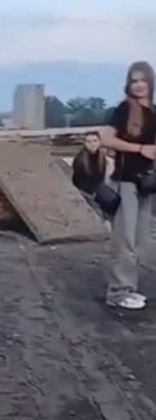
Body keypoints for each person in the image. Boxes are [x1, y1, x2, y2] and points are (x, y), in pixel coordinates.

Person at [100, 61, 156, 311]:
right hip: (125, 181)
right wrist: (139, 148)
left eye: (143, 80)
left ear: (151, 82)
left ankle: (129, 288)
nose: (139, 85)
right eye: (134, 81)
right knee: (125, 241)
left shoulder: (153, 111)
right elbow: (105, 139)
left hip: (147, 184)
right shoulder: (124, 110)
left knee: (142, 241)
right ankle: (118, 292)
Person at [72, 131, 108, 217]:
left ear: (99, 142)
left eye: (95, 141)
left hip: (97, 191)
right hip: (84, 193)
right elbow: (78, 180)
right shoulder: (80, 159)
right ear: (84, 143)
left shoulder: (102, 157)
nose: (92, 144)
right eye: (89, 141)